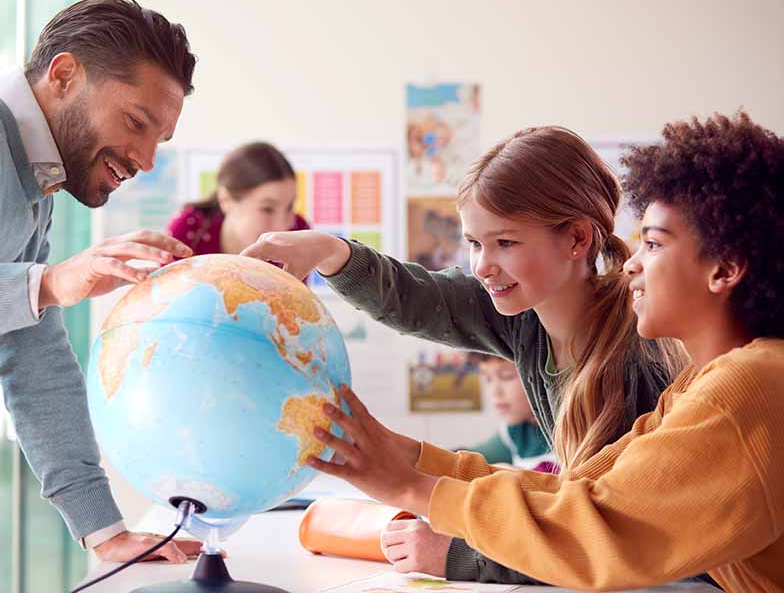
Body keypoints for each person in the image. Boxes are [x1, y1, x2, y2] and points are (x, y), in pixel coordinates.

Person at [308, 111, 784, 591]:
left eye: (654, 245)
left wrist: (415, 489)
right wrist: (409, 457)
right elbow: (577, 494)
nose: (632, 264)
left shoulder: (746, 387)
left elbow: (596, 530)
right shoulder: (701, 386)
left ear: (725, 270)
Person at [242, 125, 688, 582]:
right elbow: (416, 298)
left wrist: (465, 556)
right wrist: (327, 249)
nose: (483, 266)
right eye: (475, 243)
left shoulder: (640, 355)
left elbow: (612, 535)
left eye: (505, 243)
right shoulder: (524, 316)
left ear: (577, 239)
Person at [0, 0, 202, 562]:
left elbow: (33, 354)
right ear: (64, 75)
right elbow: (35, 300)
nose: (147, 160)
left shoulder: (35, 184)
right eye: (136, 123)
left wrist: (104, 530)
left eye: (159, 140)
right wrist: (49, 283)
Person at [168, 142, 309, 256]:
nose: (282, 227)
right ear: (226, 200)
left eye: (290, 207)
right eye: (267, 209)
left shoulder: (298, 234)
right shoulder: (188, 230)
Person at [463, 352, 556, 472]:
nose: (495, 392)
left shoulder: (570, 431)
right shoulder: (515, 431)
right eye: (488, 378)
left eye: (506, 377)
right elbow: (470, 456)